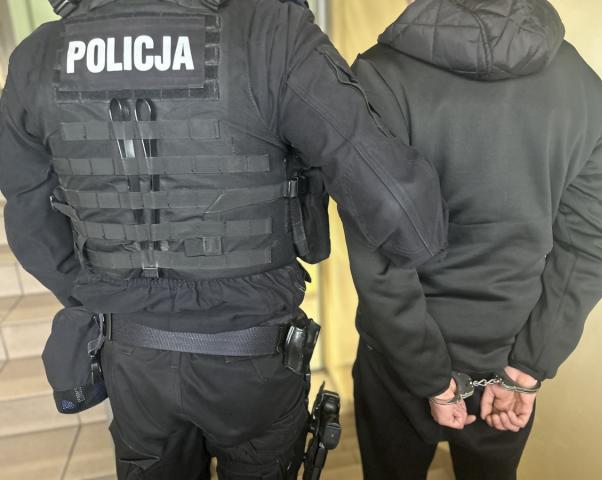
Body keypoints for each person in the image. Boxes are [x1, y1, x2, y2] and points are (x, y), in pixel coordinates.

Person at [0, 0, 448, 478]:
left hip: (131, 357)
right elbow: (392, 198)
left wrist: (103, 294)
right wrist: (431, 249)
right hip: (252, 355)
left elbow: (28, 217)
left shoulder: (40, 54)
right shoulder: (271, 32)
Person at [344, 0, 602, 479]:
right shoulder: (582, 84)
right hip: (507, 365)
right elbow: (590, 245)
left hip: (399, 358)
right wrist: (529, 366)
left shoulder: (380, 76)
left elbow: (380, 252)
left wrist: (430, 375)